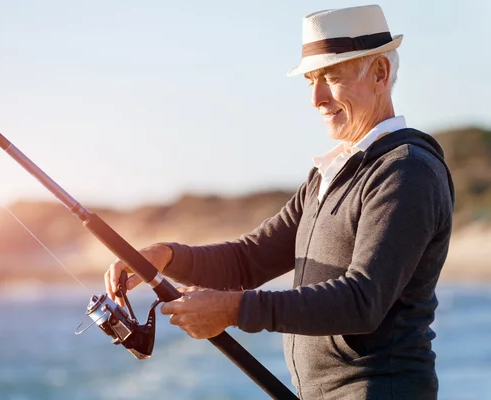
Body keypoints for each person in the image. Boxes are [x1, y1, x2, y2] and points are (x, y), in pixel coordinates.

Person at [104, 5, 454, 399]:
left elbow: (362, 301)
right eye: (311, 82)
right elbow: (249, 260)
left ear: (379, 73)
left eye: (332, 78)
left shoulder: (407, 172)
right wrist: (166, 256)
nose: (317, 99)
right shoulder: (332, 174)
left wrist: (235, 310)